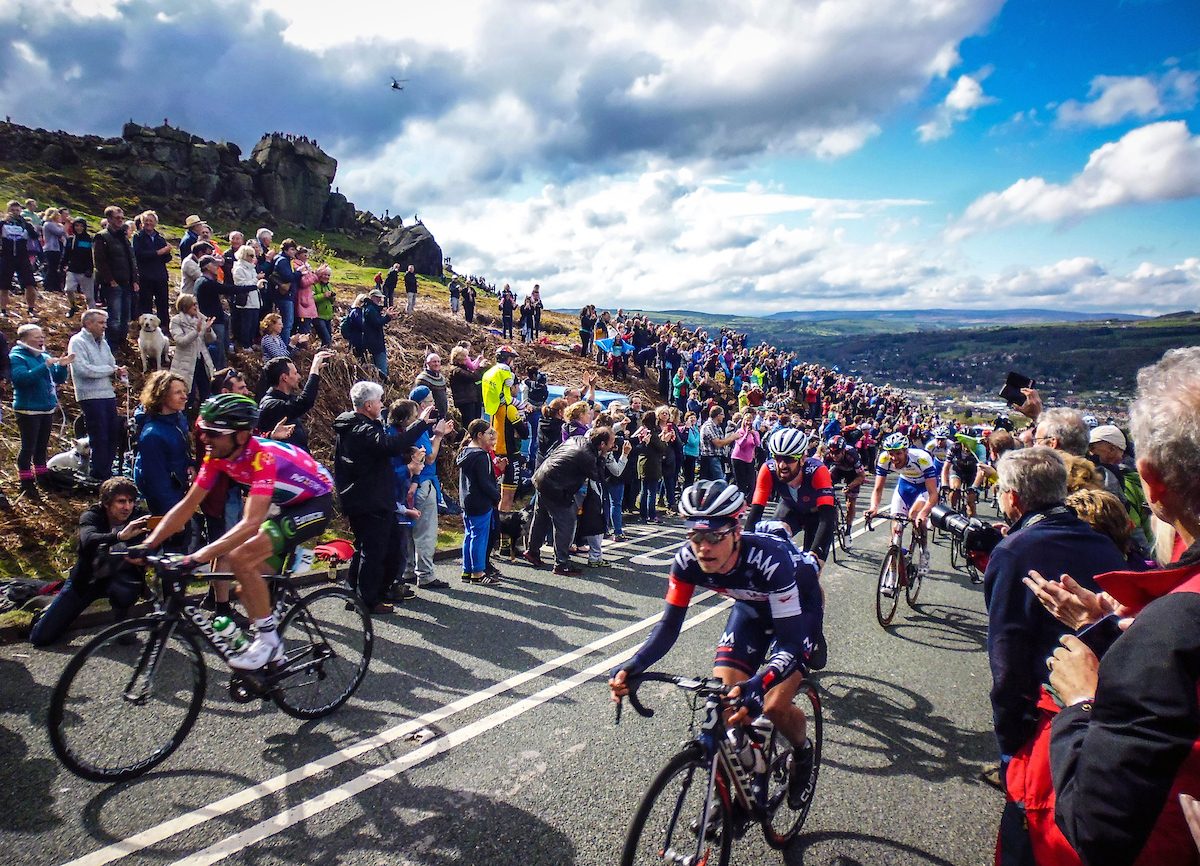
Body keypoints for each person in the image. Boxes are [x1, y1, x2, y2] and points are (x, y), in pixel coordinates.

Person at [1020, 347, 1200, 866]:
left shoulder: (1176, 625)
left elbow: (1096, 826)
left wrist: (1081, 700)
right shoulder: (1169, 619)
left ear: (1152, 480)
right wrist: (1107, 629)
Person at [609, 480, 824, 811]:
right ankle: (739, 784)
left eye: (714, 537)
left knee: (772, 704)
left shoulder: (770, 560)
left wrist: (761, 682)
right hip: (751, 609)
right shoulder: (686, 562)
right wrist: (634, 665)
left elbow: (791, 643)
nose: (703, 547)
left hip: (798, 609)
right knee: (724, 704)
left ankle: (803, 752)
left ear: (736, 532)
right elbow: (668, 627)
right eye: (694, 536)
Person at [136, 394, 335, 669]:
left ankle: (269, 644)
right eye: (202, 430)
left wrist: (197, 558)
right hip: (283, 505)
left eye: (213, 433)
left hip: (315, 502)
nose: (205, 438)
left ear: (240, 436)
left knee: (241, 557)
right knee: (245, 587)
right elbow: (188, 505)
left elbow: (251, 522)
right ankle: (272, 651)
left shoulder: (262, 457)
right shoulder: (217, 455)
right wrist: (148, 544)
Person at [982, 447, 1125, 802]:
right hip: (1110, 694)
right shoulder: (1101, 540)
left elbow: (1006, 656)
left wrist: (1009, 740)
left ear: (1012, 497)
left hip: (1051, 709)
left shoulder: (1013, 551)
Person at [332, 382, 434, 614]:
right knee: (375, 551)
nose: (382, 405)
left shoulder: (359, 425)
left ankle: (355, 595)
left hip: (367, 496)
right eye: (379, 401)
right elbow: (389, 445)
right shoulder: (361, 429)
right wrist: (420, 425)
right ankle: (368, 600)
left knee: (368, 548)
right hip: (369, 498)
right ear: (368, 405)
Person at [29, 477, 150, 646]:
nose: (127, 507)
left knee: (128, 587)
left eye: (130, 501)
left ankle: (122, 625)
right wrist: (119, 536)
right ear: (107, 503)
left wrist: (146, 556)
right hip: (87, 579)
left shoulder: (138, 516)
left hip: (120, 577)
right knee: (41, 638)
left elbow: (157, 541)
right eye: (121, 502)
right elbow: (88, 539)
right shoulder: (92, 515)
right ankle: (47, 611)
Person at [527, 426, 615, 575]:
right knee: (566, 522)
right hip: (556, 487)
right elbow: (598, 476)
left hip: (542, 477)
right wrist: (603, 457)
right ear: (601, 444)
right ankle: (561, 563)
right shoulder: (587, 456)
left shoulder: (577, 439)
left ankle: (532, 551)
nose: (612, 446)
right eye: (610, 443)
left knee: (541, 517)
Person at [744, 427, 837, 564]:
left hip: (818, 516)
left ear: (802, 459)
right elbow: (755, 512)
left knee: (810, 571)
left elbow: (826, 519)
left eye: (789, 459)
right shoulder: (768, 470)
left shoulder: (818, 471)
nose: (782, 465)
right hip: (791, 509)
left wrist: (814, 557)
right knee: (771, 543)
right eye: (777, 457)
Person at [395, 392, 455, 591]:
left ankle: (409, 570)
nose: (434, 404)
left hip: (409, 484)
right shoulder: (418, 427)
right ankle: (426, 575)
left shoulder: (402, 428)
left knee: (409, 531)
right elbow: (428, 458)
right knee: (425, 532)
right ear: (421, 405)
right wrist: (438, 436)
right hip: (423, 483)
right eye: (430, 401)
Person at [865, 432, 940, 582]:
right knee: (896, 529)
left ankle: (924, 552)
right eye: (891, 453)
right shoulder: (884, 458)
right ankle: (893, 573)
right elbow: (878, 489)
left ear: (906, 451)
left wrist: (924, 513)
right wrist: (874, 507)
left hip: (924, 487)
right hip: (905, 486)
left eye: (898, 453)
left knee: (915, 516)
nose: (894, 458)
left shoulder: (922, 459)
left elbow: (933, 494)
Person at [10, 324, 73, 493]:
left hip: (46, 408)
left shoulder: (43, 355)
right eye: (37, 337)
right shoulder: (17, 356)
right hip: (28, 409)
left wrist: (63, 366)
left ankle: (42, 477)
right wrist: (44, 366)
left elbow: (57, 379)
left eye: (42, 336)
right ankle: (26, 482)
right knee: (28, 447)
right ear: (24, 339)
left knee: (42, 446)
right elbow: (21, 379)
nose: (41, 339)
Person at [68, 309, 126, 482]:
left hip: (107, 394)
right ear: (88, 323)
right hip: (90, 395)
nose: (105, 326)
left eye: (105, 323)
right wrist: (110, 370)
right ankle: (99, 473)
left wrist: (118, 372)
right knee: (99, 434)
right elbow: (82, 369)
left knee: (112, 433)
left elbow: (111, 364)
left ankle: (107, 471)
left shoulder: (103, 342)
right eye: (101, 323)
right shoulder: (77, 341)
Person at [457, 419, 502, 585]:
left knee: (470, 535)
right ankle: (478, 572)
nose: (491, 436)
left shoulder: (466, 452)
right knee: (479, 537)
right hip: (480, 501)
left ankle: (467, 570)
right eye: (489, 433)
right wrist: (496, 495)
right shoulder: (481, 456)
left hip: (467, 500)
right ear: (480, 435)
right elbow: (485, 482)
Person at [257, 352, 332, 452]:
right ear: (284, 377)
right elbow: (304, 402)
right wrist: (313, 371)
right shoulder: (271, 405)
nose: (299, 377)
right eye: (295, 373)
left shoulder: (285, 398)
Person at [91, 205, 139, 350]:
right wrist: (110, 280)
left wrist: (135, 280)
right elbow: (99, 261)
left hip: (127, 283)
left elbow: (132, 260)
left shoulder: (124, 237)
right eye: (117, 218)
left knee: (126, 317)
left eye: (122, 218)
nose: (120, 220)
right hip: (113, 284)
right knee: (114, 318)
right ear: (109, 219)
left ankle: (122, 343)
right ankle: (111, 346)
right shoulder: (102, 236)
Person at [169, 293, 216, 408]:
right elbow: (181, 341)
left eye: (196, 304)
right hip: (185, 362)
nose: (196, 307)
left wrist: (208, 329)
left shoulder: (200, 319)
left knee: (206, 391)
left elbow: (212, 339)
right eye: (192, 305)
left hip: (201, 361)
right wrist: (196, 331)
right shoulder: (176, 321)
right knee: (188, 394)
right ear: (185, 307)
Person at [821, 434, 866, 543]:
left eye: (837, 453)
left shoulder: (852, 455)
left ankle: (848, 532)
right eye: (832, 452)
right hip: (838, 470)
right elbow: (821, 473)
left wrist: (849, 486)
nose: (834, 455)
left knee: (850, 503)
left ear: (843, 451)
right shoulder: (828, 455)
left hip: (853, 474)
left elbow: (861, 476)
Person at [131, 210, 171, 323]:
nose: (148, 223)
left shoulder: (159, 238)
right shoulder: (138, 237)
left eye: (151, 221)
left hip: (160, 276)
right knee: (145, 303)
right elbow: (139, 255)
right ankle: (144, 327)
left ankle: (164, 326)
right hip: (145, 276)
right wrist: (159, 252)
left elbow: (167, 258)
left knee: (163, 303)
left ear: (155, 223)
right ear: (142, 223)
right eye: (146, 221)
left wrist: (166, 253)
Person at [1, 200, 39, 318]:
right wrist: (3, 221)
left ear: (21, 211)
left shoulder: (24, 224)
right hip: (6, 257)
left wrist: (28, 225)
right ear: (8, 211)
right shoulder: (2, 223)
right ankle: (3, 310)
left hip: (22, 257)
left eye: (17, 210)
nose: (15, 212)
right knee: (3, 286)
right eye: (12, 210)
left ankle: (31, 308)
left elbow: (35, 236)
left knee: (30, 284)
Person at [230, 243, 263, 350]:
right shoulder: (239, 268)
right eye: (250, 255)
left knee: (253, 323)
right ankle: (245, 345)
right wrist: (256, 279)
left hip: (255, 299)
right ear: (244, 255)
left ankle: (250, 342)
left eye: (253, 255)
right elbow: (240, 285)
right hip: (246, 300)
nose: (253, 258)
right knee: (246, 324)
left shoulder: (251, 268)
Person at [62, 217, 95, 315]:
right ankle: (73, 306)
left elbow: (92, 255)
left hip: (86, 271)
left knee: (89, 296)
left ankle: (92, 313)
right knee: (68, 289)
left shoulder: (89, 239)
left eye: (81, 226)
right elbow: (66, 254)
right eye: (76, 226)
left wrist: (90, 268)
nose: (79, 228)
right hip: (72, 269)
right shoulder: (71, 239)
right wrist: (62, 265)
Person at [699, 406, 738, 481]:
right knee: (720, 483)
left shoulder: (717, 426)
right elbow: (718, 443)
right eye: (722, 414)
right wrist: (732, 437)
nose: (724, 417)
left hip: (718, 458)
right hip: (710, 459)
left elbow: (723, 442)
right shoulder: (708, 426)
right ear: (718, 415)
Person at [362, 288, 395, 377]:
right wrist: (387, 317)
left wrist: (386, 317)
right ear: (372, 297)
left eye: (380, 297)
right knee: (381, 369)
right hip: (376, 344)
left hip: (373, 342)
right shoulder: (370, 309)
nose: (380, 299)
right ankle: (382, 385)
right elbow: (377, 323)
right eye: (378, 297)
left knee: (375, 369)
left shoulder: (370, 308)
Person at [448, 346, 482, 424]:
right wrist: (480, 367)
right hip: (465, 401)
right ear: (459, 358)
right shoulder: (456, 370)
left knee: (476, 422)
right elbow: (474, 377)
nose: (467, 359)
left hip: (471, 399)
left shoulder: (463, 369)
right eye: (465, 356)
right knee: (470, 423)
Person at [414, 353, 449, 418]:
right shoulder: (423, 379)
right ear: (427, 363)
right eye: (434, 362)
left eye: (438, 361)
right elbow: (422, 400)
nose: (437, 364)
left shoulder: (441, 378)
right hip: (430, 415)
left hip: (442, 413)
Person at [311, 264, 335, 347]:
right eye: (325, 274)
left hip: (328, 317)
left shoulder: (329, 285)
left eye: (328, 275)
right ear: (320, 275)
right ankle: (322, 357)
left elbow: (332, 301)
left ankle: (326, 358)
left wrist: (332, 297)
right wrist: (323, 295)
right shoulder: (314, 285)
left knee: (328, 340)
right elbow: (311, 299)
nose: (327, 277)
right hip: (318, 316)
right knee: (326, 339)